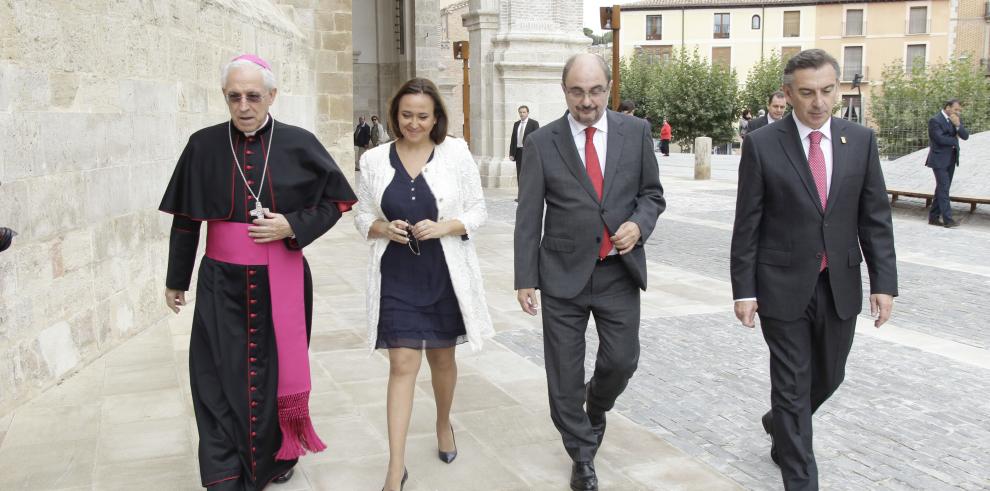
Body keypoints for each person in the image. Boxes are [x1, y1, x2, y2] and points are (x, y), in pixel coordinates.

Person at [160, 54, 357, 490]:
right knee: (213, 373)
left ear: (272, 95)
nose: (244, 106)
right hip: (220, 281)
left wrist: (293, 225)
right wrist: (177, 280)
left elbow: (336, 203)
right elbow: (187, 219)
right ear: (225, 98)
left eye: (253, 96)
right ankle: (223, 467)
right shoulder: (203, 144)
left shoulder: (299, 142)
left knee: (271, 372)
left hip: (279, 278)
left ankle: (272, 457)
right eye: (234, 97)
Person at [730, 49, 897, 491]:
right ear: (788, 94)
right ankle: (801, 477)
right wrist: (743, 289)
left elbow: (874, 217)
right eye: (807, 93)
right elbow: (747, 222)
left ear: (838, 89)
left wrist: (884, 283)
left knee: (830, 374)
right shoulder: (764, 144)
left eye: (827, 91)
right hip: (781, 285)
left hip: (838, 282)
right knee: (791, 384)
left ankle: (780, 424)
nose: (819, 102)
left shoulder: (859, 141)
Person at [514, 53, 665, 491]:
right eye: (577, 91)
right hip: (561, 273)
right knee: (562, 374)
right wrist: (526, 277)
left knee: (621, 361)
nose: (587, 100)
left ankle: (595, 405)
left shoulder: (634, 132)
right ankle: (582, 456)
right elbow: (529, 215)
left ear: (608, 88)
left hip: (619, 273)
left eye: (596, 90)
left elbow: (652, 195)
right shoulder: (543, 143)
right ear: (564, 91)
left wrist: (639, 224)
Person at [353, 77, 494, 491]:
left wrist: (446, 226)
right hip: (396, 273)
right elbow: (362, 215)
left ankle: (443, 422)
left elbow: (478, 210)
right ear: (395, 115)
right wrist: (381, 226)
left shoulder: (456, 153)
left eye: (422, 116)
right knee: (401, 365)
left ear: (436, 118)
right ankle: (395, 468)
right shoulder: (375, 159)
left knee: (443, 361)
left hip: (443, 274)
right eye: (406, 115)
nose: (413, 123)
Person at [925, 99, 968, 228]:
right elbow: (939, 139)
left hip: (951, 159)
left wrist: (958, 126)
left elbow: (965, 136)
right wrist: (954, 140)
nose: (957, 112)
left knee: (942, 188)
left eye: (959, 110)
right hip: (938, 160)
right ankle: (948, 220)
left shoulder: (955, 119)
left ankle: (933, 217)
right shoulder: (935, 120)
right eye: (956, 109)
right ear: (947, 107)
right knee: (944, 188)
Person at [509, 105, 540, 196]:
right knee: (520, 174)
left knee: (529, 173)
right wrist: (511, 153)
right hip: (518, 152)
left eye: (524, 112)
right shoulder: (516, 124)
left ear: (527, 113)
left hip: (528, 152)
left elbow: (537, 139)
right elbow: (513, 139)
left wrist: (535, 153)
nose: (522, 114)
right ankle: (521, 195)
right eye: (520, 112)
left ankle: (530, 195)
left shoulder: (534, 123)